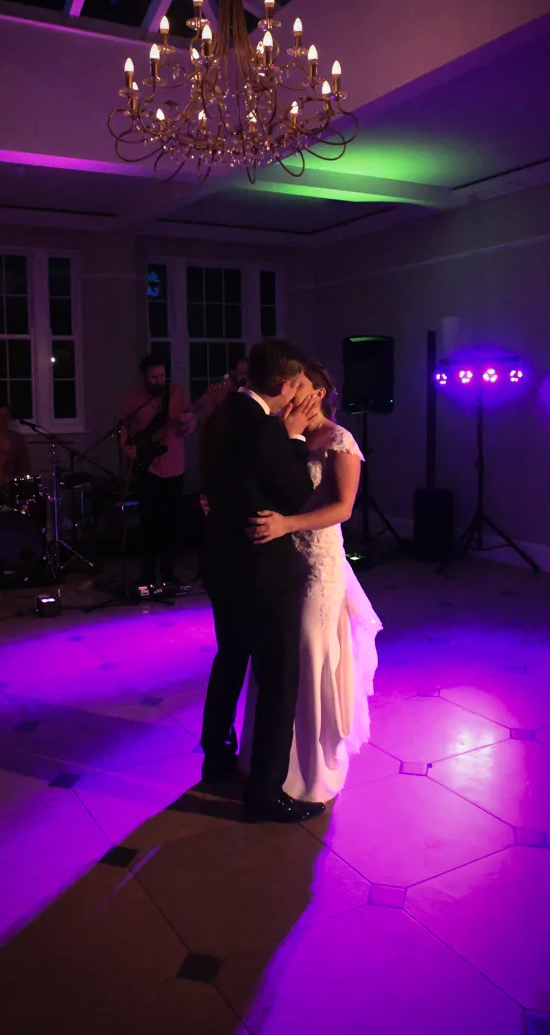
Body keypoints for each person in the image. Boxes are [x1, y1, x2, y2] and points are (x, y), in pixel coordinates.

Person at [199, 337, 326, 824]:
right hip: (259, 570)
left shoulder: (221, 415)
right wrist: (293, 437)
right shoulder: (263, 427)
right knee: (277, 677)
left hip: (220, 563)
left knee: (230, 658)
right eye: (296, 384)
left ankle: (216, 756)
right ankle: (265, 793)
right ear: (282, 384)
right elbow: (295, 493)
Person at [245, 361, 381, 803]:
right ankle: (270, 764)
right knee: (281, 659)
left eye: (298, 386)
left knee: (311, 655)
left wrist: (287, 525)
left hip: (320, 566)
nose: (288, 392)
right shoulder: (289, 436)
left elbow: (342, 508)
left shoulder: (340, 441)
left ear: (318, 393)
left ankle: (310, 772)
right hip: (284, 564)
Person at [120, 354, 195, 586]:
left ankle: (169, 572)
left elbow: (187, 427)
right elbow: (124, 427)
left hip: (173, 465)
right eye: (154, 377)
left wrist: (187, 422)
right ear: (144, 377)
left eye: (162, 375)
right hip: (148, 467)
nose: (159, 380)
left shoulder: (177, 393)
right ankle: (147, 573)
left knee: (170, 524)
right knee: (148, 523)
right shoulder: (133, 398)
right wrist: (127, 448)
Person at [193, 357, 249, 426]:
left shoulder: (251, 390)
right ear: (232, 372)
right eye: (240, 373)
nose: (244, 377)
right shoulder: (219, 390)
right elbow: (202, 415)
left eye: (246, 374)